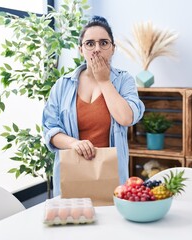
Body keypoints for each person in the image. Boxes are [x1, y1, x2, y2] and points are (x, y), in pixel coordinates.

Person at [42, 16, 145, 197]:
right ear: (81, 50)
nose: (97, 49)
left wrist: (104, 81)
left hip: (111, 176)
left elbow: (126, 118)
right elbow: (50, 130)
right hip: (73, 173)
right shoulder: (62, 85)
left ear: (113, 49)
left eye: (104, 43)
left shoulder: (124, 81)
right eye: (90, 43)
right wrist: (73, 143)